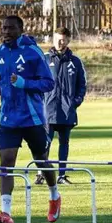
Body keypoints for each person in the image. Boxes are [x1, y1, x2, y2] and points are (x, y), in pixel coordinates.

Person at [0, 15, 58, 223]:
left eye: (11, 28)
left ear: (20, 29)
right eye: (4, 28)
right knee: (6, 161)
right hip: (8, 118)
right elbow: (3, 82)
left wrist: (25, 83)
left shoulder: (33, 52)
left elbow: (48, 83)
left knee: (41, 160)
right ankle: (5, 212)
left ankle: (54, 195)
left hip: (32, 117)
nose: (6, 32)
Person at [45, 27, 87, 185]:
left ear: (68, 40)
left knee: (64, 143)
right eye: (57, 39)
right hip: (47, 109)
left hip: (66, 109)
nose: (59, 43)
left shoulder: (75, 62)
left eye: (62, 40)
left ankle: (62, 175)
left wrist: (75, 102)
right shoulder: (44, 59)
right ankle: (42, 173)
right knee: (45, 143)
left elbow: (82, 85)